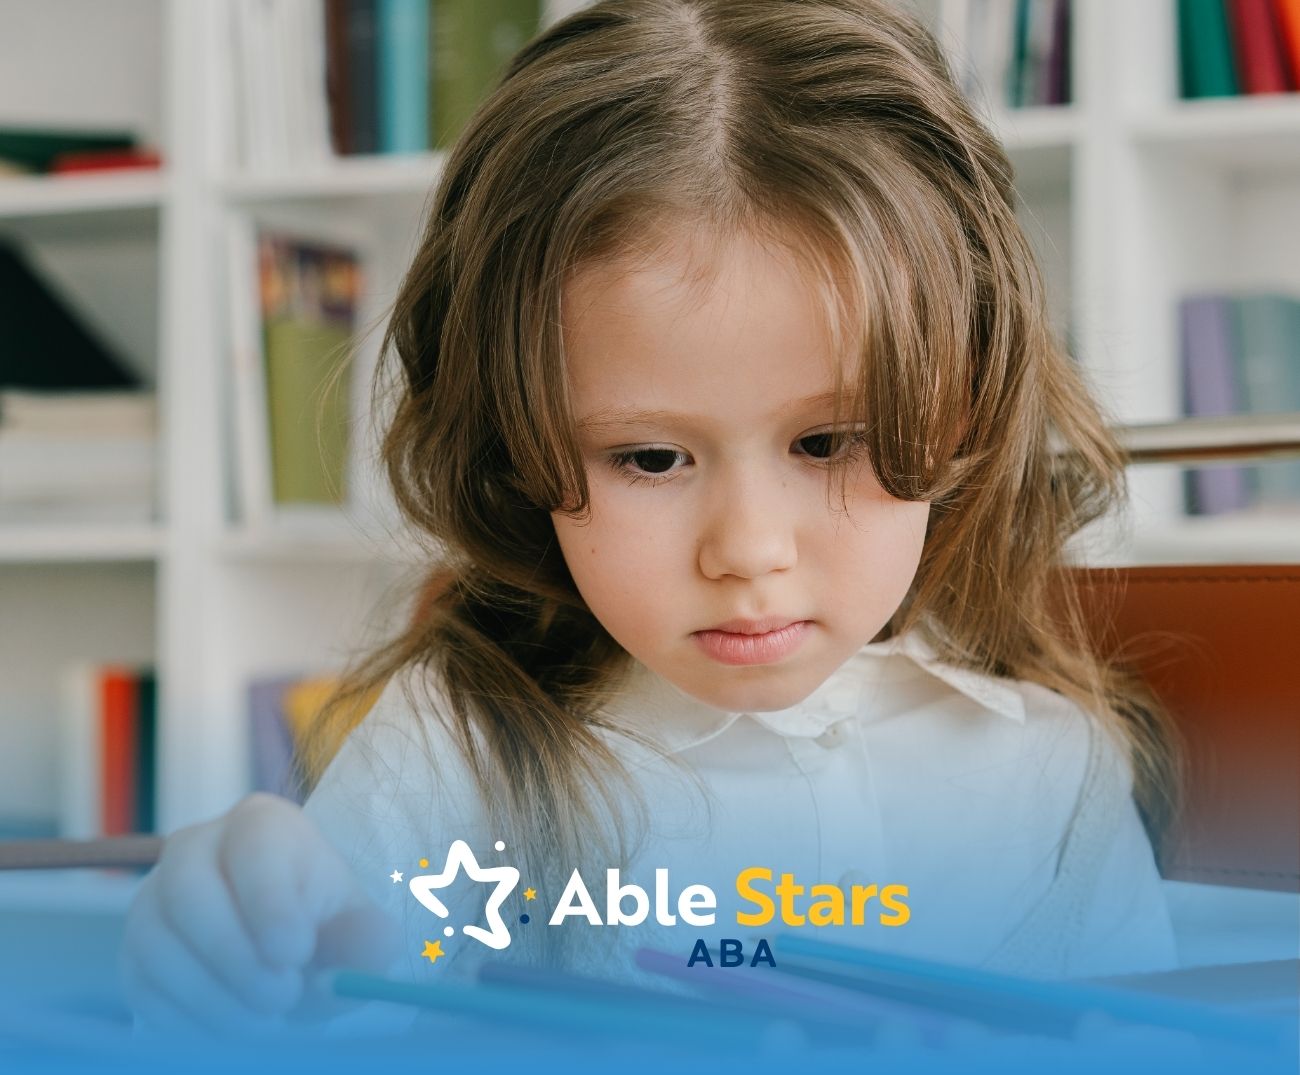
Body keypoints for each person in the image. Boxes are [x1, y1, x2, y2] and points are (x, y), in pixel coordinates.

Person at [120, 0, 1181, 1042]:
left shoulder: (1051, 776)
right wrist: (243, 948)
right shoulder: (459, 754)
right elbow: (316, 993)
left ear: (964, 407)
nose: (748, 551)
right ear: (513, 447)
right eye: (650, 457)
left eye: (826, 443)